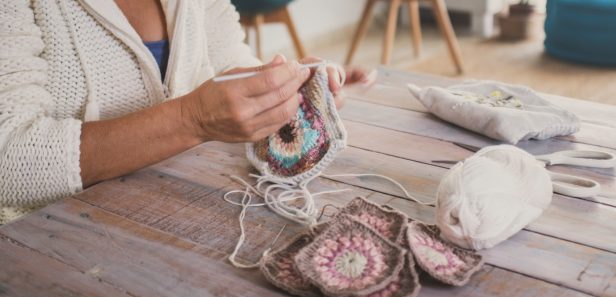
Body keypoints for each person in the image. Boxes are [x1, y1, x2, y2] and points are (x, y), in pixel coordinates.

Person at [0, 0, 375, 224]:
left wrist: (282, 89)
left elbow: (231, 63)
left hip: (179, 214)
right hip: (46, 246)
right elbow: (7, 159)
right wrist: (191, 119)